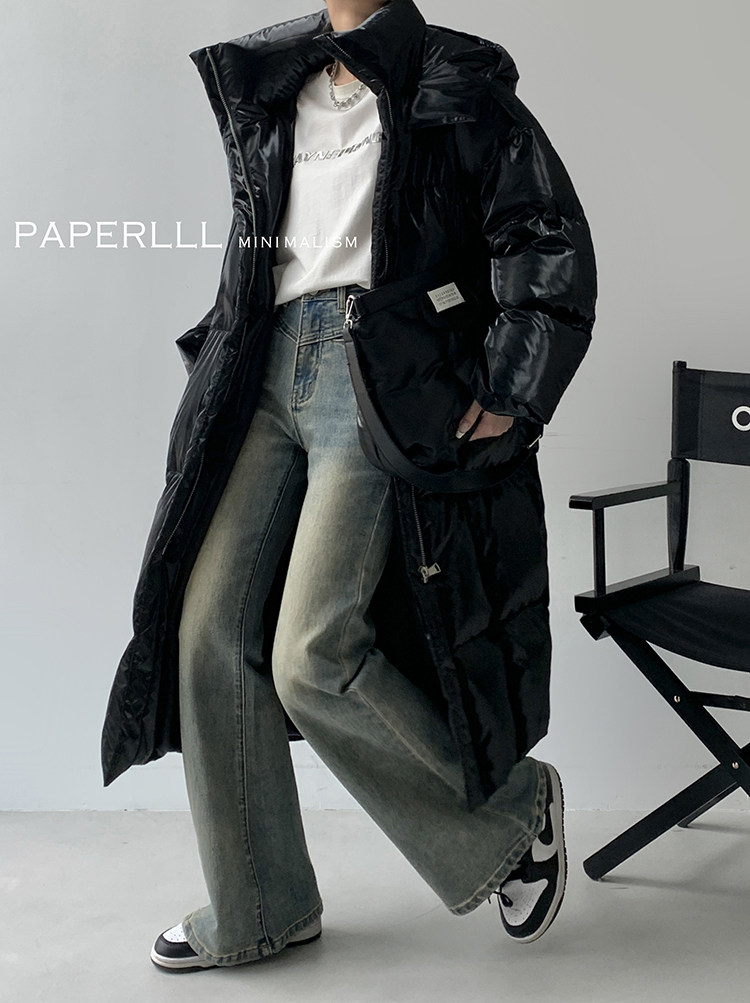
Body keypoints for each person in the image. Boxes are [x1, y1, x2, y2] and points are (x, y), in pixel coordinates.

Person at [100, 0, 597, 971]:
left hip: (374, 375)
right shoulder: (273, 79)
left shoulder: (450, 74)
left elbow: (544, 232)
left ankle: (514, 815)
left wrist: (511, 384)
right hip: (264, 368)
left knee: (312, 650)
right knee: (207, 633)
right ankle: (260, 905)